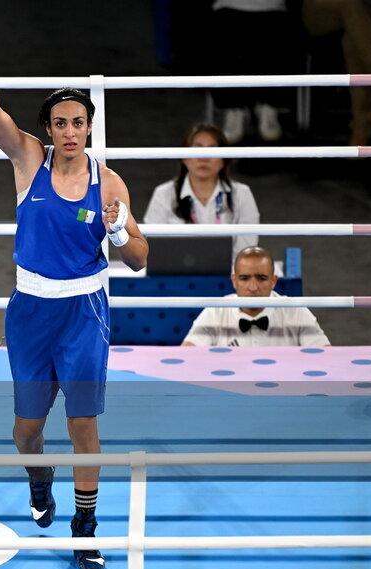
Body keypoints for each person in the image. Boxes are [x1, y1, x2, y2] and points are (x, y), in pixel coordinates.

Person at [0, 28, 148, 569]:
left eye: (78, 123)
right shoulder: (28, 161)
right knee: (26, 430)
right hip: (31, 311)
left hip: (84, 312)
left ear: (89, 128)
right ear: (48, 129)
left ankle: (85, 528)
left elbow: (139, 258)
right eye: (60, 123)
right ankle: (39, 475)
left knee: (83, 425)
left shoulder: (110, 184)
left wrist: (117, 232)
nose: (69, 132)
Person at [143, 123, 259, 261]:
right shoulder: (163, 194)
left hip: (228, 273)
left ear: (224, 159)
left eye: (212, 150)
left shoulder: (242, 194)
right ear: (184, 157)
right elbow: (155, 248)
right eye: (197, 149)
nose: (204, 157)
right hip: (177, 272)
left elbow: (246, 251)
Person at [182, 246, 331, 346]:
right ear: (234, 281)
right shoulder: (216, 311)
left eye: (261, 278)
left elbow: (326, 358)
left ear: (273, 281)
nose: (253, 287)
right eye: (244, 278)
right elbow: (187, 357)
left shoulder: (296, 311)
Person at [302, 0, 371, 146]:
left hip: (369, 10)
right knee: (352, 6)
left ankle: (361, 133)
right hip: (319, 9)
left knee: (353, 39)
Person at [211, 0, 295, 143]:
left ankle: (269, 105)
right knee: (219, 34)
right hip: (228, 7)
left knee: (283, 34)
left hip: (273, 9)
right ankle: (233, 108)